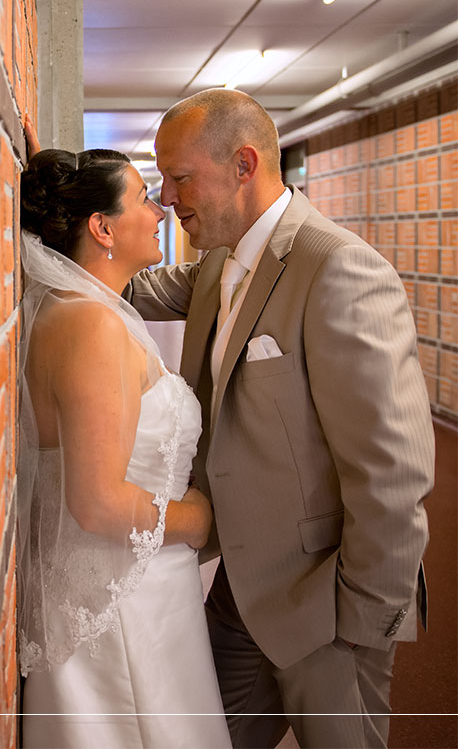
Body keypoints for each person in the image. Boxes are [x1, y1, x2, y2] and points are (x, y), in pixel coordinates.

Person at [126, 88, 433, 748]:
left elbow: (394, 470)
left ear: (244, 164)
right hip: (240, 592)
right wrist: (53, 203)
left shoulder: (340, 269)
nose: (168, 198)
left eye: (180, 179)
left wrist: (364, 621)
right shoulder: (215, 263)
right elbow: (121, 279)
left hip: (328, 607)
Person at [16, 143, 232, 748]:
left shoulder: (86, 308)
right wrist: (197, 519)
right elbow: (98, 502)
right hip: (125, 606)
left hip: (138, 585)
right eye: (143, 196)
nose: (161, 209)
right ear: (102, 227)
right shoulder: (91, 326)